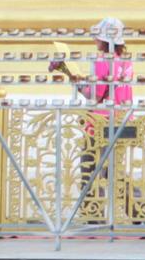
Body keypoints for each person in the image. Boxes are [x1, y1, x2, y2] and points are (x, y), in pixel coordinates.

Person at [50, 17, 135, 221]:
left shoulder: (101, 61)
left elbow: (95, 96)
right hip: (123, 119)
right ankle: (138, 211)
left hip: (101, 122)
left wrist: (76, 82)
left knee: (91, 167)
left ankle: (94, 215)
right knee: (112, 169)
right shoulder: (124, 60)